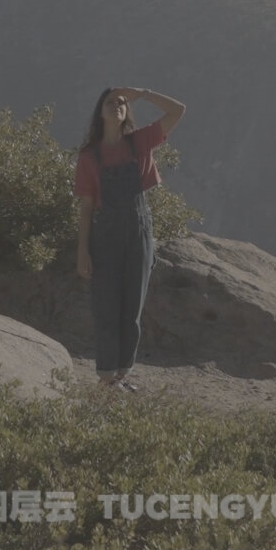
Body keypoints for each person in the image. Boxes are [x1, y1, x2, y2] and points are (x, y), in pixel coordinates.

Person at [74, 85, 185, 389]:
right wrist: (82, 251)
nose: (117, 106)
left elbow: (178, 110)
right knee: (106, 306)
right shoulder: (89, 157)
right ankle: (106, 377)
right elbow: (85, 208)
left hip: (140, 231)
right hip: (105, 235)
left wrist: (144, 93)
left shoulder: (141, 142)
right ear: (100, 111)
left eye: (122, 103)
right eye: (110, 102)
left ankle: (122, 376)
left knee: (132, 310)